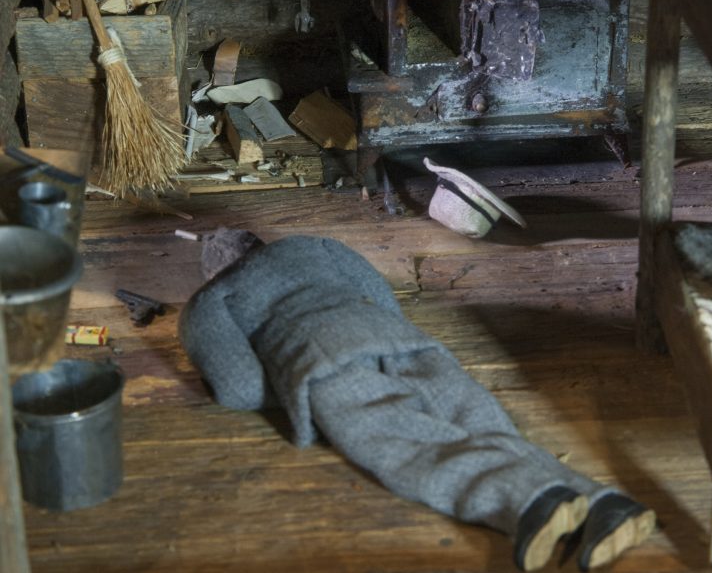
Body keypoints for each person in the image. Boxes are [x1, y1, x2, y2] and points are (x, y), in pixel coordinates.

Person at [180, 233, 655, 571]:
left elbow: (240, 385)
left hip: (324, 365)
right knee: (481, 425)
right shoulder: (313, 245)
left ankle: (526, 502)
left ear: (213, 272)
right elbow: (377, 292)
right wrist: (384, 333)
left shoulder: (211, 300)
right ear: (260, 243)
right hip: (406, 341)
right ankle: (605, 505)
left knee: (410, 447)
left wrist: (285, 383)